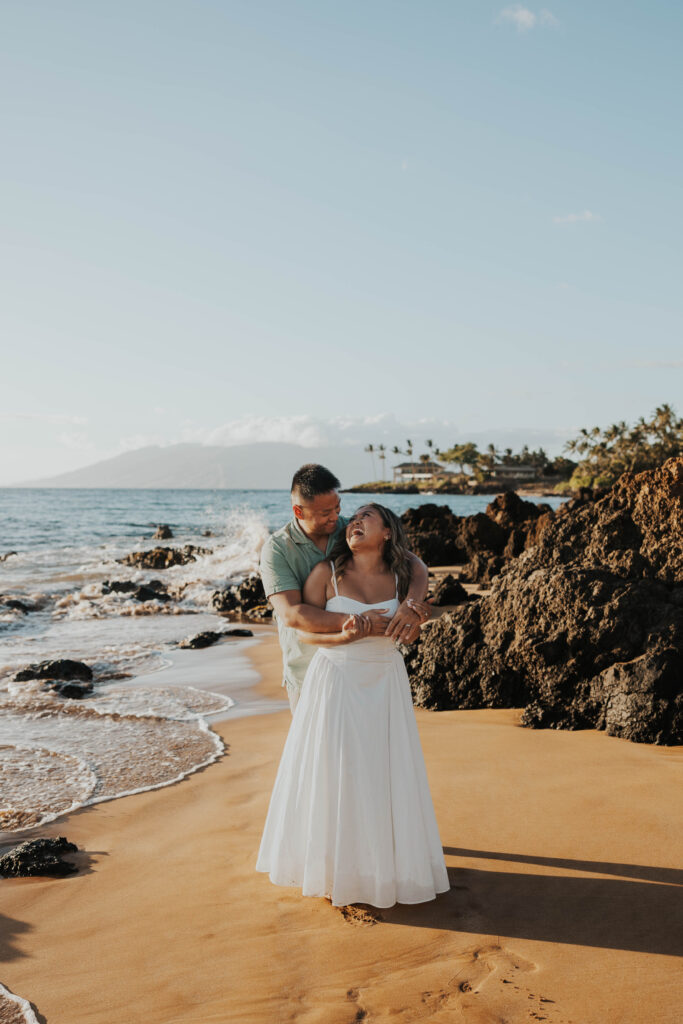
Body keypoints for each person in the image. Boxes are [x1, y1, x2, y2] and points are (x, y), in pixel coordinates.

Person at [256, 502, 450, 908]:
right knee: (337, 770)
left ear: (388, 534)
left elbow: (416, 571)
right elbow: (301, 627)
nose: (354, 522)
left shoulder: (402, 575)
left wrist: (413, 613)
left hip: (385, 679)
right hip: (336, 678)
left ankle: (387, 867)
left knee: (384, 770)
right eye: (354, 517)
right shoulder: (328, 572)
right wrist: (343, 637)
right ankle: (331, 868)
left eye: (366, 517)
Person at [259, 464, 431, 713]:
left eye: (338, 507)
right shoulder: (277, 549)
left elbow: (416, 565)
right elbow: (291, 614)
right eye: (325, 512)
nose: (335, 517)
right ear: (298, 510)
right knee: (317, 750)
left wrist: (410, 605)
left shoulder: (348, 530)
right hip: (306, 667)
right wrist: (358, 623)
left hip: (370, 674)